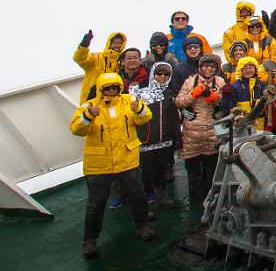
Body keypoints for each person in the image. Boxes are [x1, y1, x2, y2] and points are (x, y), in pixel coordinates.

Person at [71, 71, 156, 258]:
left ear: (119, 87)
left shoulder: (129, 101)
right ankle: (90, 239)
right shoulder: (90, 106)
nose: (111, 91)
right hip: (99, 163)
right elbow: (76, 129)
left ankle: (143, 226)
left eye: (114, 87)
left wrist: (139, 109)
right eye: (107, 88)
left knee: (137, 195)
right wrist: (87, 116)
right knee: (96, 203)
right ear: (101, 89)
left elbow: (145, 117)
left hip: (127, 159)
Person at [175, 53, 225, 204]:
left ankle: (212, 200)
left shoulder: (221, 82)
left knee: (212, 170)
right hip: (192, 133)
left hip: (212, 131)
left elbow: (225, 103)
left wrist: (215, 98)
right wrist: (193, 95)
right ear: (200, 67)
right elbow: (178, 102)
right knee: (193, 171)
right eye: (205, 65)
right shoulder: (190, 81)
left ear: (216, 68)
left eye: (212, 66)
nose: (208, 69)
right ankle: (196, 201)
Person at [132, 61, 180, 207]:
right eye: (159, 73)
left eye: (166, 74)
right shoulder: (141, 93)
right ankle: (147, 196)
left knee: (161, 169)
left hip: (165, 139)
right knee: (145, 171)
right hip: (146, 140)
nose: (163, 77)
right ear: (153, 74)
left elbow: (174, 119)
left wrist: (177, 138)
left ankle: (161, 194)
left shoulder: (170, 94)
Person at [72, 30, 127, 104]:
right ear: (109, 43)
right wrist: (83, 45)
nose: (117, 45)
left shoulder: (123, 62)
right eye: (114, 42)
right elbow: (79, 59)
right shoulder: (96, 57)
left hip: (114, 101)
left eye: (120, 43)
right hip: (91, 99)